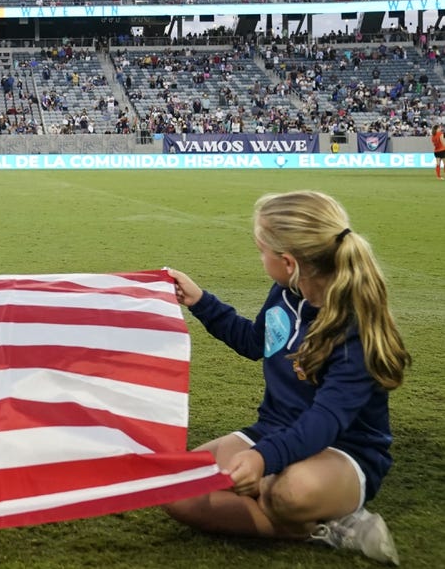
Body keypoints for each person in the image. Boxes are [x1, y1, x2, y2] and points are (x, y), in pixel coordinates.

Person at [164, 191, 411, 566]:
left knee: (287, 494)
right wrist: (200, 301)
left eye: (261, 249)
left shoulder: (353, 328)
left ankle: (336, 519)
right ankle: (313, 528)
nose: (259, 256)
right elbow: (255, 341)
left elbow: (325, 422)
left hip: (345, 450)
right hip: (274, 429)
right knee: (177, 489)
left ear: (288, 261)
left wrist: (264, 459)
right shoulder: (285, 292)